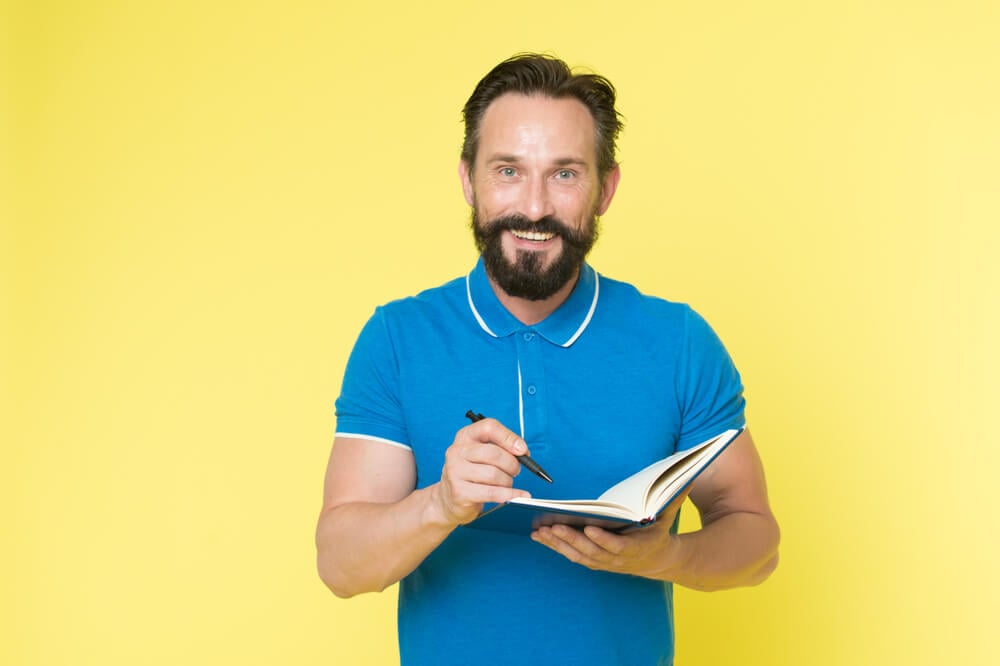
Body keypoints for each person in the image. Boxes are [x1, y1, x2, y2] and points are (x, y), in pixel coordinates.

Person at [316, 53, 780, 666]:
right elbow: (341, 567)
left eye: (564, 175)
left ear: (605, 188)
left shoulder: (679, 341)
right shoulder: (397, 338)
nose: (534, 207)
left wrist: (663, 557)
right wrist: (441, 505)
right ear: (467, 179)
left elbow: (756, 541)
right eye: (508, 170)